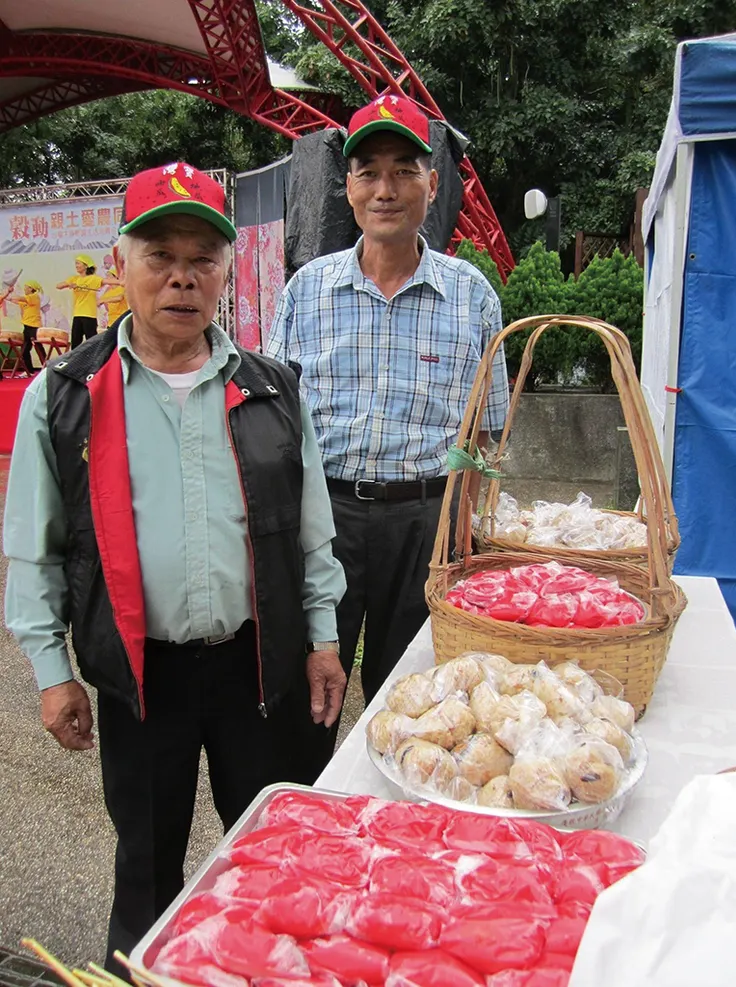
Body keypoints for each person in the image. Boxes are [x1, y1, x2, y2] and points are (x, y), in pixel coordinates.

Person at [4, 162, 347, 974]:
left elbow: (312, 533)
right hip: (141, 678)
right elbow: (33, 549)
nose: (183, 276)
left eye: (203, 255)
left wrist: (325, 639)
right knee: (146, 867)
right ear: (121, 263)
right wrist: (54, 674)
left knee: (270, 857)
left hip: (257, 669)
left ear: (227, 270)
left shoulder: (272, 390)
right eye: (161, 254)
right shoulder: (66, 395)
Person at [267, 94, 509, 769]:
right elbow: (274, 424)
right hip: (326, 518)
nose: (386, 189)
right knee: (307, 692)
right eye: (368, 171)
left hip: (425, 522)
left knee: (415, 701)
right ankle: (304, 815)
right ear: (347, 188)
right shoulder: (306, 292)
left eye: (405, 170)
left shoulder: (472, 295)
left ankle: (393, 833)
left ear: (433, 184)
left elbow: (487, 433)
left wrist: (467, 527)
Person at [57, 254, 103, 347]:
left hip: (89, 315)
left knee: (92, 343)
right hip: (77, 315)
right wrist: (69, 284)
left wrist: (123, 282)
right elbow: (58, 286)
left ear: (86, 266)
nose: (76, 266)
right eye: (76, 264)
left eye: (78, 263)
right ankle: (76, 361)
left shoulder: (93, 278)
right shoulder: (74, 278)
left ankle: (93, 361)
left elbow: (107, 281)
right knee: (75, 343)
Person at [9, 279, 44, 375]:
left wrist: (12, 294)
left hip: (34, 326)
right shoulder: (26, 299)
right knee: (25, 349)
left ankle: (46, 369)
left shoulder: (34, 297)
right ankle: (29, 370)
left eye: (26, 287)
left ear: (31, 288)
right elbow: (13, 299)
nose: (24, 288)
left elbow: (20, 298)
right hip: (27, 327)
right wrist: (8, 292)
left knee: (39, 348)